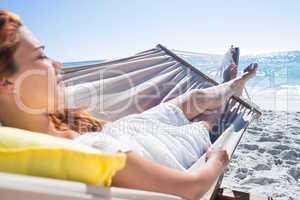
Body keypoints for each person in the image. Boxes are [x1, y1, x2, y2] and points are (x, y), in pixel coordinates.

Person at [0, 10, 258, 200]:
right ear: (6, 83)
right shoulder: (90, 153)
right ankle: (231, 89)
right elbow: (190, 188)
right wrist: (217, 159)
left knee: (191, 100)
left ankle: (232, 84)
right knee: (205, 121)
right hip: (153, 150)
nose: (58, 65)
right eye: (41, 55)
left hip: (123, 131)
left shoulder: (38, 121)